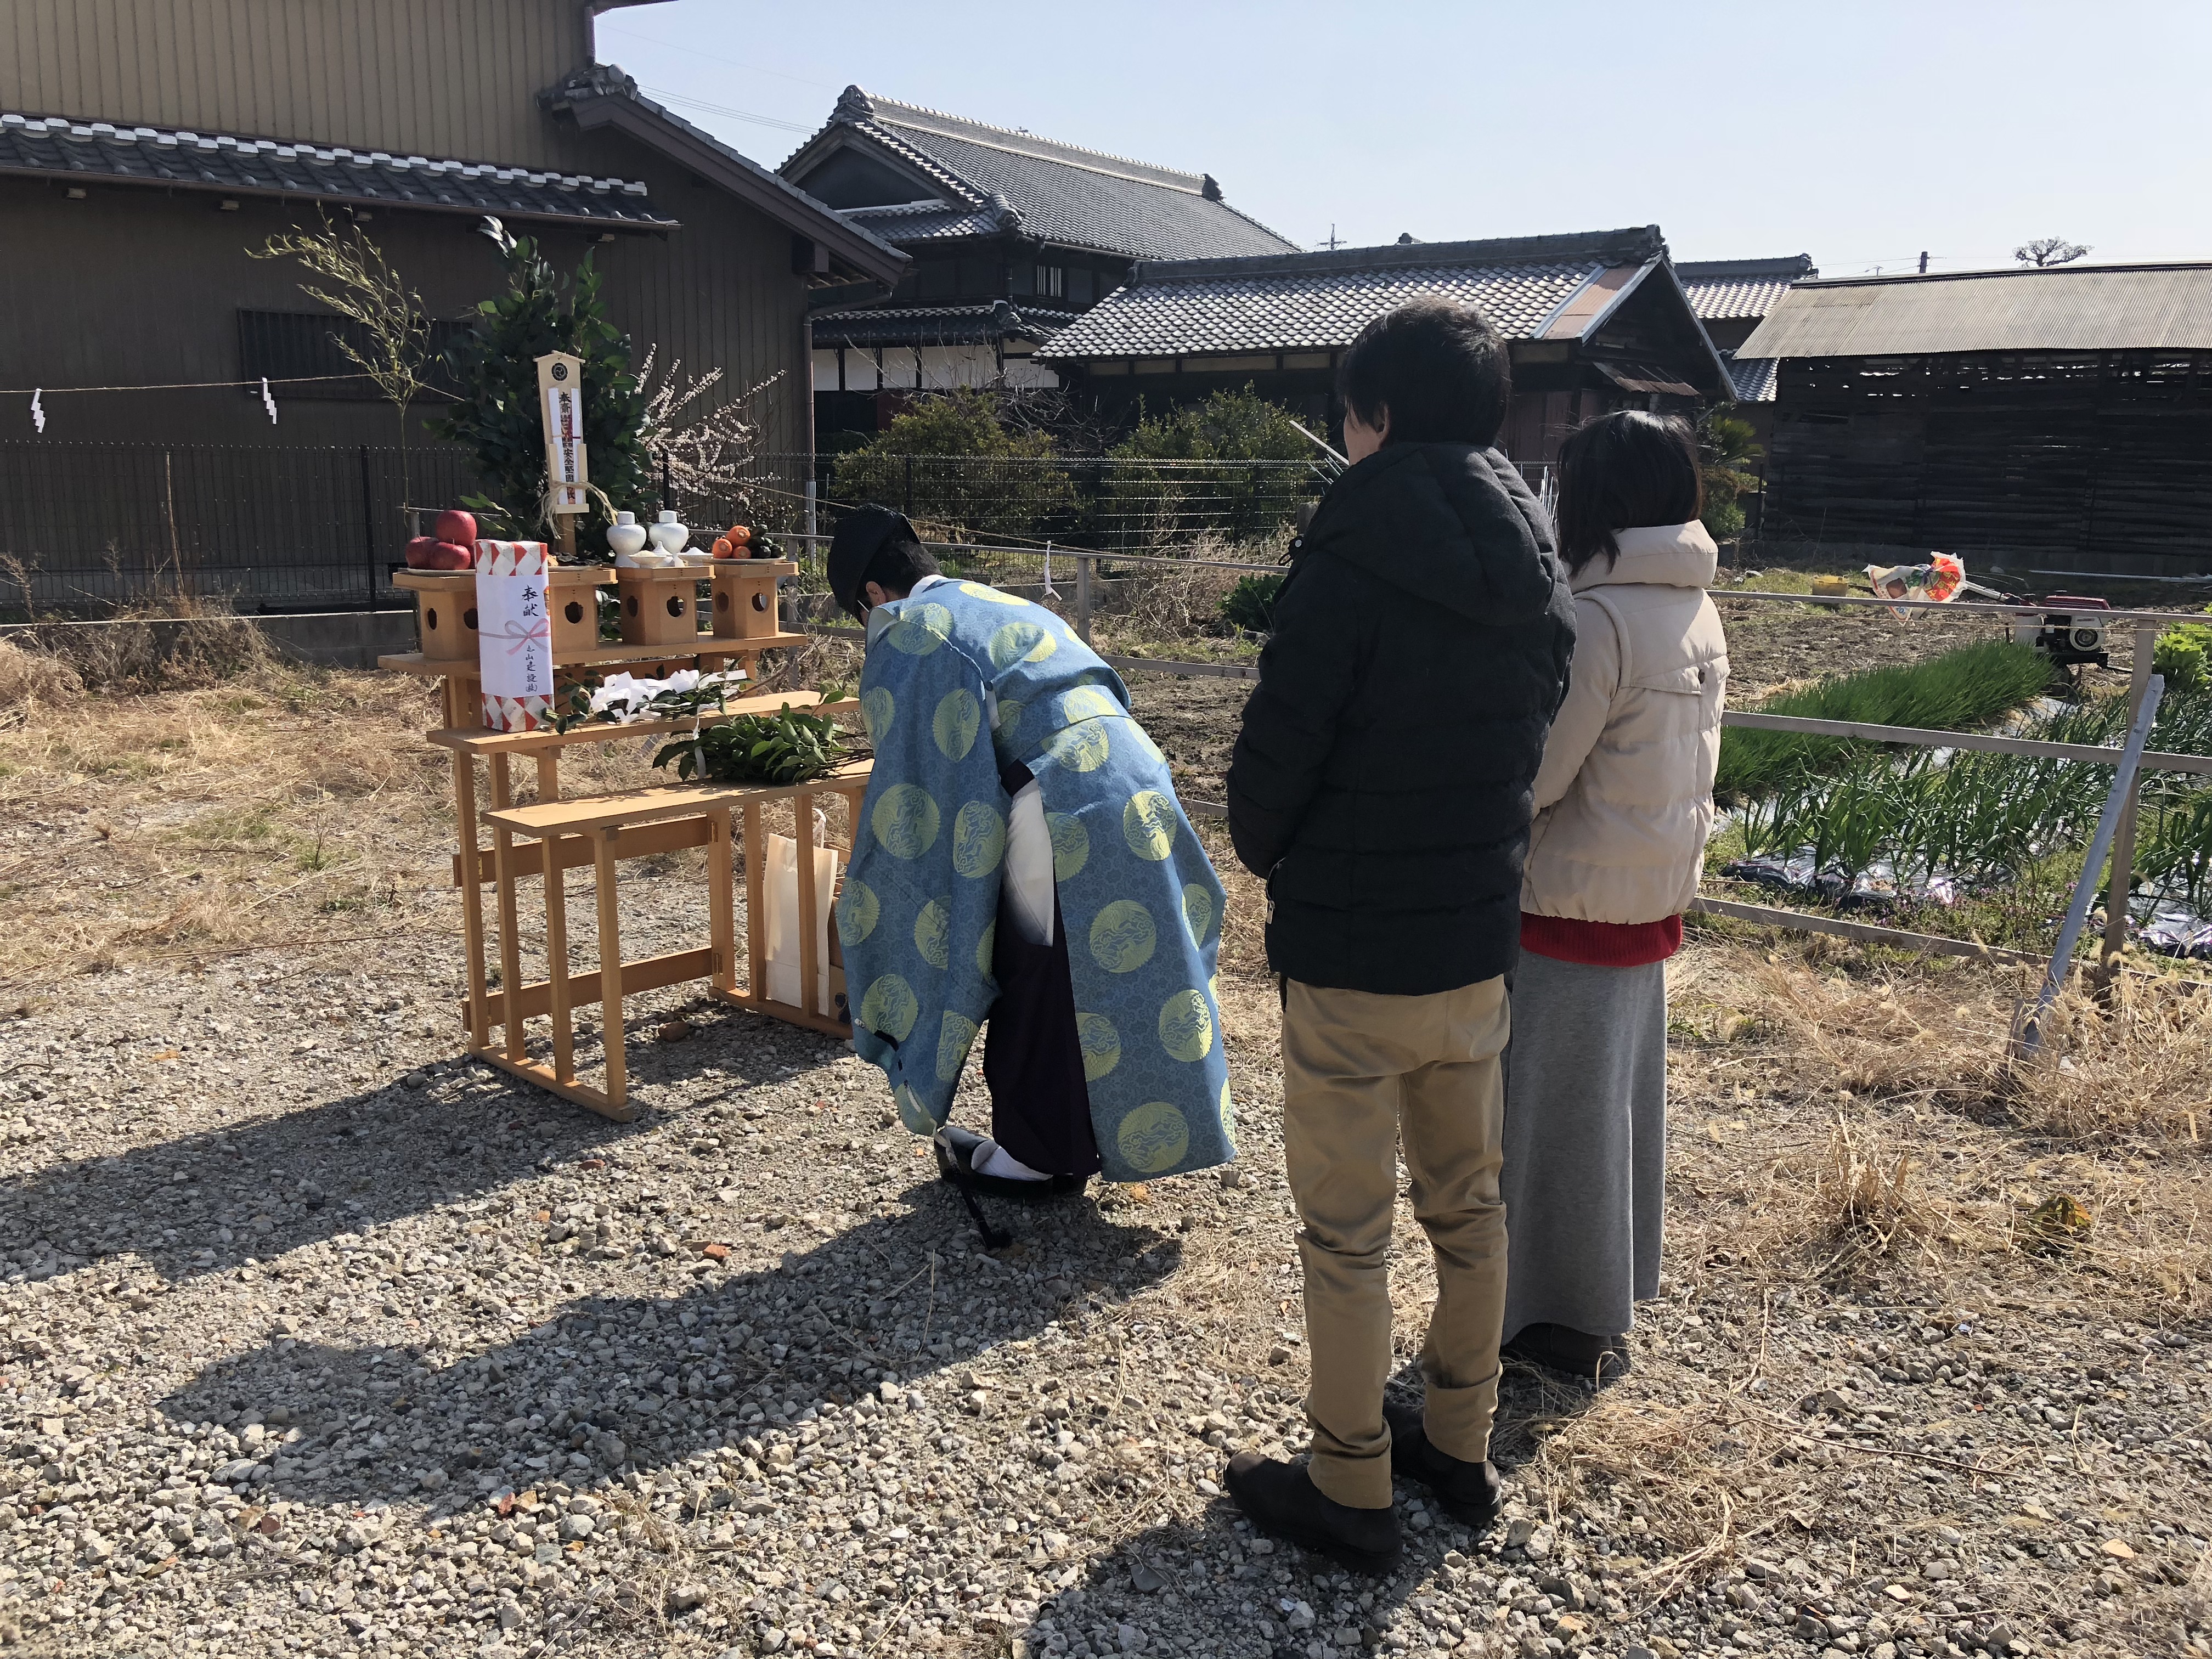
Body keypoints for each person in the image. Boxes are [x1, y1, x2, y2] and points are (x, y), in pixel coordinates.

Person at [1221, 298, 1575, 1573]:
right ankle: (1461, 1446)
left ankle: (1349, 1480)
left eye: (1348, 412)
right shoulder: (1534, 557)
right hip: (1474, 947)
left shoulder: (1352, 551)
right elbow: (1535, 731)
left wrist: (1264, 843)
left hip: (1351, 955)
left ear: (1373, 416)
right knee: (1468, 1210)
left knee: (1346, 1232)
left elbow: (1278, 755)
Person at [829, 506, 1235, 1216]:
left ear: (872, 597)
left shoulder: (910, 634)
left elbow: (919, 785)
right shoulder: (997, 603)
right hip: (1133, 773)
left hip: (1051, 794)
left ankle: (1038, 1155)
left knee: (1033, 972)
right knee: (1119, 969)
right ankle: (1105, 1137)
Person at [1501, 410, 1728, 1380]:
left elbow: (1542, 775)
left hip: (1567, 904)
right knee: (1614, 1112)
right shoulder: (1692, 606)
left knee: (1547, 1119)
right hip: (1643, 899)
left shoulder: (1596, 618)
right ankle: (1602, 1297)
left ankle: (1554, 1316)